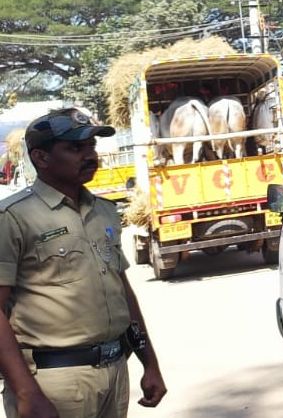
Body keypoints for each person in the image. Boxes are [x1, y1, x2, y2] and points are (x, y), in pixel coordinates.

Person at [0, 108, 166, 417]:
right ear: (41, 158)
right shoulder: (12, 218)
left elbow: (122, 290)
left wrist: (149, 362)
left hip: (114, 371)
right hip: (55, 381)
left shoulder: (103, 211)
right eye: (75, 148)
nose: (90, 155)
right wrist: (26, 393)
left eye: (91, 146)